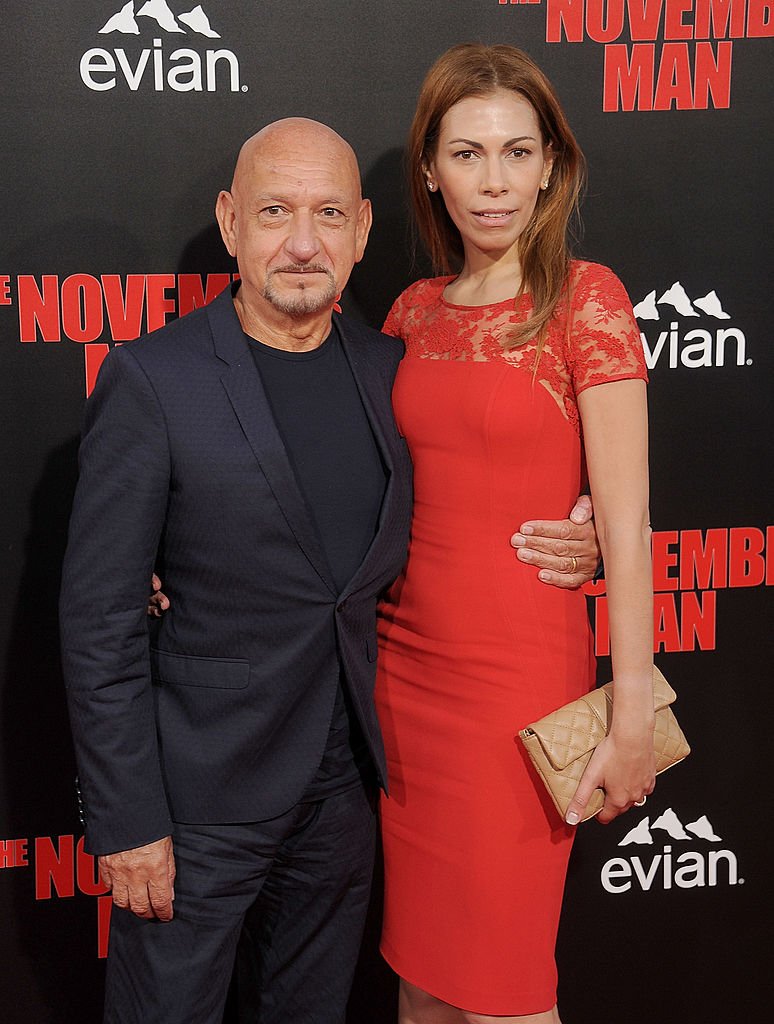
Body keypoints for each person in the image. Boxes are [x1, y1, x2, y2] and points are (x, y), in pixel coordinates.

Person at [60, 117, 600, 1024]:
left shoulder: (394, 368)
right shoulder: (153, 380)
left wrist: (579, 545)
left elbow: (459, 508)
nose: (302, 244)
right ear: (231, 223)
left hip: (347, 791)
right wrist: (127, 822)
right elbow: (97, 618)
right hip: (196, 800)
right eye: (275, 212)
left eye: (325, 216)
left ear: (359, 232)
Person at [374, 44, 656, 1024]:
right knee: (421, 978)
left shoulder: (589, 300)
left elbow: (626, 522)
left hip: (517, 690)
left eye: (514, 151)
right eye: (466, 153)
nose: (492, 180)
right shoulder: (409, 314)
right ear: (429, 168)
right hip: (403, 682)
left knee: (505, 991)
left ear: (550, 164)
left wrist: (629, 713)